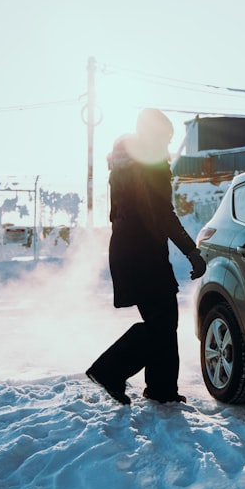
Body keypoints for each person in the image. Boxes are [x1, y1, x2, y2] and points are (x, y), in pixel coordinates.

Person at [87, 107, 206, 405]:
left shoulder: (124, 166)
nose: (167, 146)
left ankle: (161, 389)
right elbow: (164, 215)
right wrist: (192, 251)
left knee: (162, 321)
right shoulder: (148, 166)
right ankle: (110, 370)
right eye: (164, 139)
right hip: (144, 256)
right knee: (162, 323)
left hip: (129, 252)